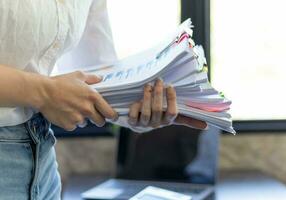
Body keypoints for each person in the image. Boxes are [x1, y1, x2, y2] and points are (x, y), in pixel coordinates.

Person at [0, 0, 207, 199]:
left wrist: (141, 104)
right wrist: (45, 92)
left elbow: (95, 72)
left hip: (41, 158)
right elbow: (51, 92)